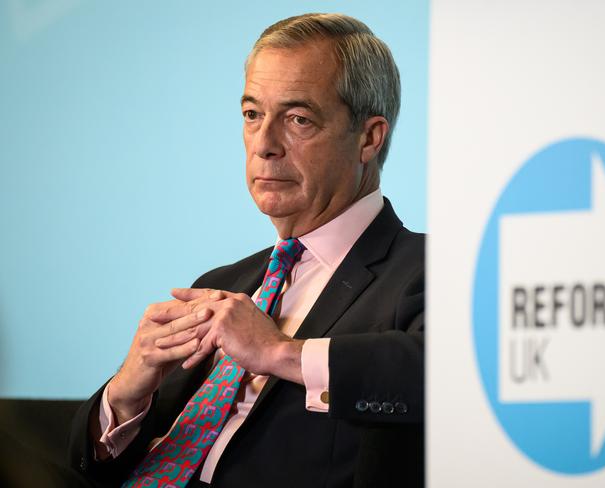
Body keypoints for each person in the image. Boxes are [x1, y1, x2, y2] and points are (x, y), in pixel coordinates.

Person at [69, 13, 424, 488]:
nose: (264, 144)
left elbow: (448, 378)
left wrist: (279, 352)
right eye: (253, 115)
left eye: (298, 119)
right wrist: (126, 396)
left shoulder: (430, 272)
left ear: (368, 137)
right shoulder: (220, 287)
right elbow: (94, 467)